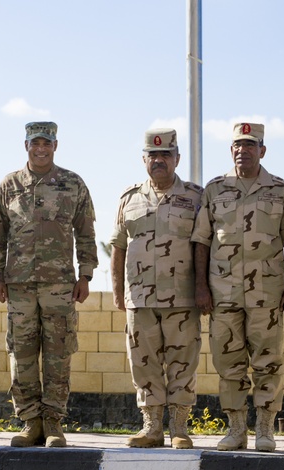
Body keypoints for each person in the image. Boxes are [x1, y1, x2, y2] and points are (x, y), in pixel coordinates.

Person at [192, 123, 284, 452]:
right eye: (238, 146)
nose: (243, 151)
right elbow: (201, 241)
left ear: (262, 151)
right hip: (223, 293)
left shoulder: (280, 189)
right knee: (228, 362)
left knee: (268, 361)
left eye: (250, 146)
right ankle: (237, 428)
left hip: (266, 294)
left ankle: (266, 429)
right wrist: (201, 287)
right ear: (231, 151)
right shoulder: (215, 189)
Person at [0, 121, 97, 448]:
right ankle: (30, 421)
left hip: (60, 286)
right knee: (21, 354)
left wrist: (85, 274)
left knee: (57, 354)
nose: (41, 148)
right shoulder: (9, 185)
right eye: (35, 143)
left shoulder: (72, 183)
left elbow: (86, 232)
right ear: (26, 146)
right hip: (19, 285)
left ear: (55, 146)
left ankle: (53, 423)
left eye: (46, 143)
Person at [110, 128, 202, 449]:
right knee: (143, 361)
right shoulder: (129, 198)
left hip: (183, 295)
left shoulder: (194, 197)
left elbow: (204, 245)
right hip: (140, 296)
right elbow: (118, 246)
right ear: (144, 160)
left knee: (183, 360)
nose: (159, 160)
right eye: (153, 155)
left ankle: (179, 426)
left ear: (177, 158)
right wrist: (118, 290)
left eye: (166, 155)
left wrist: (203, 288)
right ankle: (151, 427)